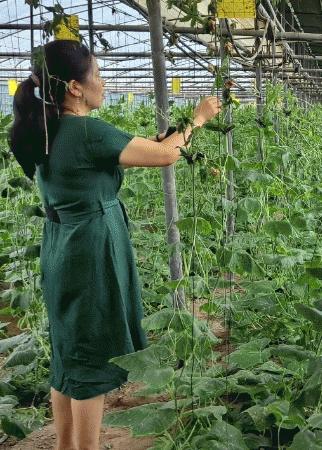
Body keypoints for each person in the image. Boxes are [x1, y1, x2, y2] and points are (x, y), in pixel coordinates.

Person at [9, 40, 221, 450]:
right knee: (91, 358)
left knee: (69, 353)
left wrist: (167, 138)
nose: (103, 82)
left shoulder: (51, 129)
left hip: (63, 245)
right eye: (98, 74)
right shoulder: (87, 130)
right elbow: (165, 155)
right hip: (91, 250)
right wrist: (197, 119)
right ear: (74, 87)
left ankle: (66, 446)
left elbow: (135, 151)